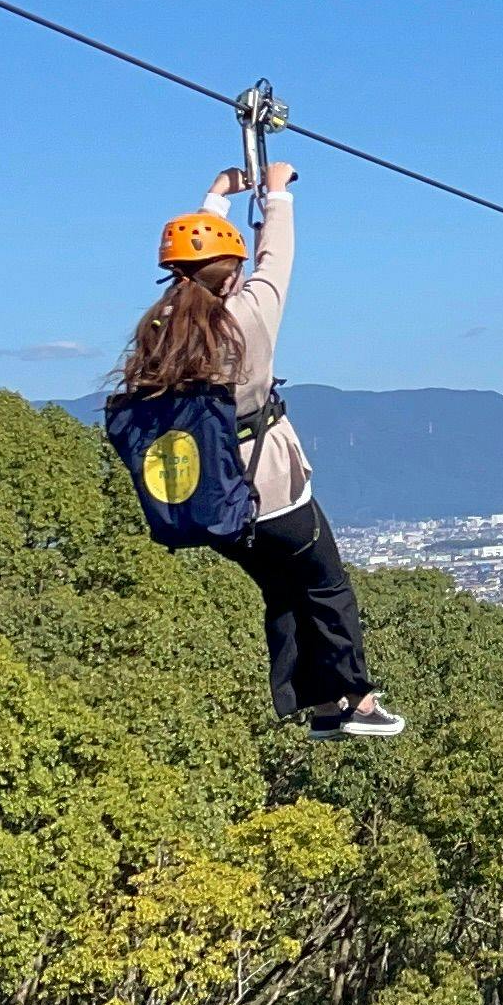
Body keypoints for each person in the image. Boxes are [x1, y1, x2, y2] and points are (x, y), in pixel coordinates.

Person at [114, 162, 403, 738]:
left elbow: (193, 269)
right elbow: (277, 259)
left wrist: (216, 197)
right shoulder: (245, 320)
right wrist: (277, 195)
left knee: (282, 591)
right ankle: (355, 701)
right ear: (230, 278)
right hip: (267, 484)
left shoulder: (159, 331)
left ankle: (318, 706)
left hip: (207, 499)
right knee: (325, 585)